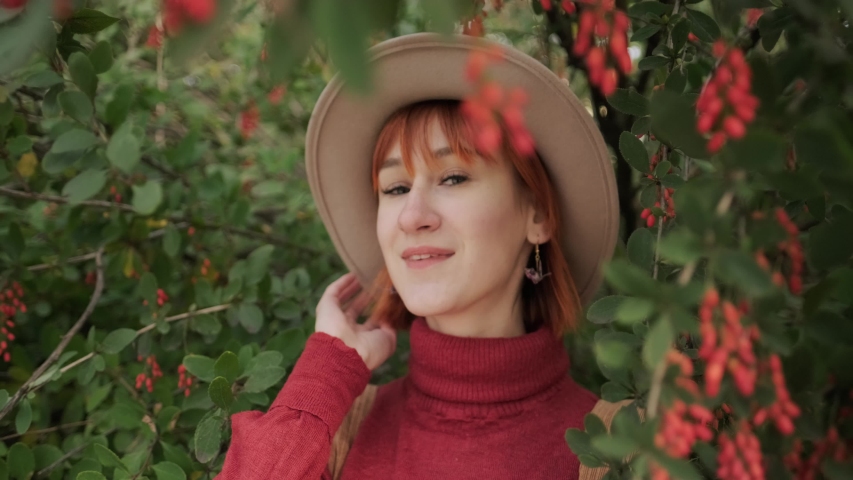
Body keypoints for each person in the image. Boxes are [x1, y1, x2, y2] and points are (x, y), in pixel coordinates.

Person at [216, 32, 619, 479]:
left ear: (539, 213)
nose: (412, 216)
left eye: (452, 178)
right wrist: (326, 372)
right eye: (396, 188)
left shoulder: (615, 450)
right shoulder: (337, 435)